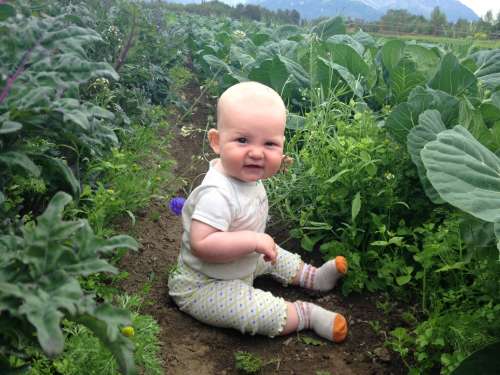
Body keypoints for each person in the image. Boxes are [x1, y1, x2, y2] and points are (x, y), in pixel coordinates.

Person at [168, 81, 348, 343]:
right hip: (204, 283)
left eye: (269, 145)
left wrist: (255, 244)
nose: (256, 153)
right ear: (217, 142)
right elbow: (202, 243)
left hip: (240, 261)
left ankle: (314, 277)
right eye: (242, 140)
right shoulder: (217, 194)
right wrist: (252, 241)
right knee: (254, 311)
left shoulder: (244, 173)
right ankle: (305, 315)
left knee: (275, 253)